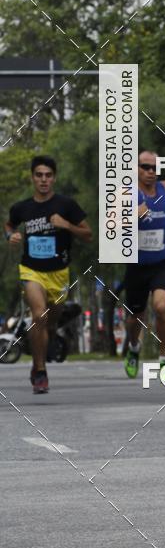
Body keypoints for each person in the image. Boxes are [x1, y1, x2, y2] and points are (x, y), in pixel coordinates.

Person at [5, 155, 92, 393]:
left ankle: (39, 359)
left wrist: (67, 226)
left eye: (48, 175)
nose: (43, 180)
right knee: (38, 316)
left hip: (59, 274)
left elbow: (88, 234)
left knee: (50, 326)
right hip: (31, 270)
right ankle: (40, 369)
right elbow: (10, 224)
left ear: (54, 178)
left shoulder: (67, 205)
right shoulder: (22, 208)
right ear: (33, 177)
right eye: (39, 175)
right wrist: (9, 235)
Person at [122, 150, 165, 379]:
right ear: (136, 168)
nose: (150, 172)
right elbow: (112, 225)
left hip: (162, 263)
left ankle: (164, 358)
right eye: (145, 167)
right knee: (135, 317)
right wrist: (131, 217)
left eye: (154, 168)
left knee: (161, 307)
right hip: (137, 266)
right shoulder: (127, 194)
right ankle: (133, 348)